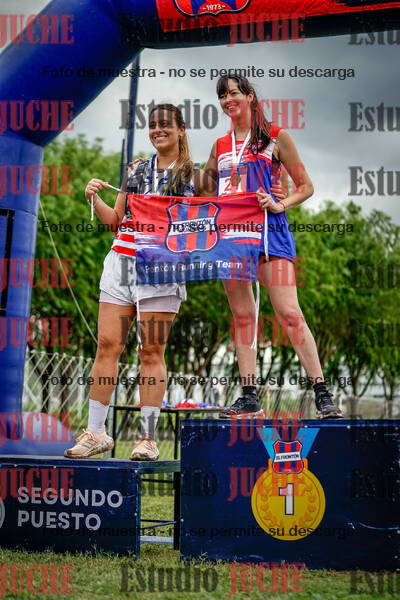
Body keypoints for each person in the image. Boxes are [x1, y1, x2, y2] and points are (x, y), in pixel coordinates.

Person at [65, 103, 201, 461]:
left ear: (181, 129)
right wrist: (94, 198)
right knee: (107, 345)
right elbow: (115, 220)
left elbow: (211, 223)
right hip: (120, 262)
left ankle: (148, 438)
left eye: (165, 124)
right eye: (152, 125)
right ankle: (96, 432)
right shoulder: (136, 169)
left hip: (161, 268)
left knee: (150, 352)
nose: (158, 130)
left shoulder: (195, 176)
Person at [202, 75, 343, 419]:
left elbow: (306, 186)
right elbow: (203, 191)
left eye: (234, 93)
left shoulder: (276, 136)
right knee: (243, 317)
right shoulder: (219, 145)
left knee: (289, 313)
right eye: (222, 96)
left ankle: (322, 393)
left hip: (270, 234)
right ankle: (249, 396)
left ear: (250, 96)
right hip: (232, 239)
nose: (228, 100)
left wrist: (282, 203)